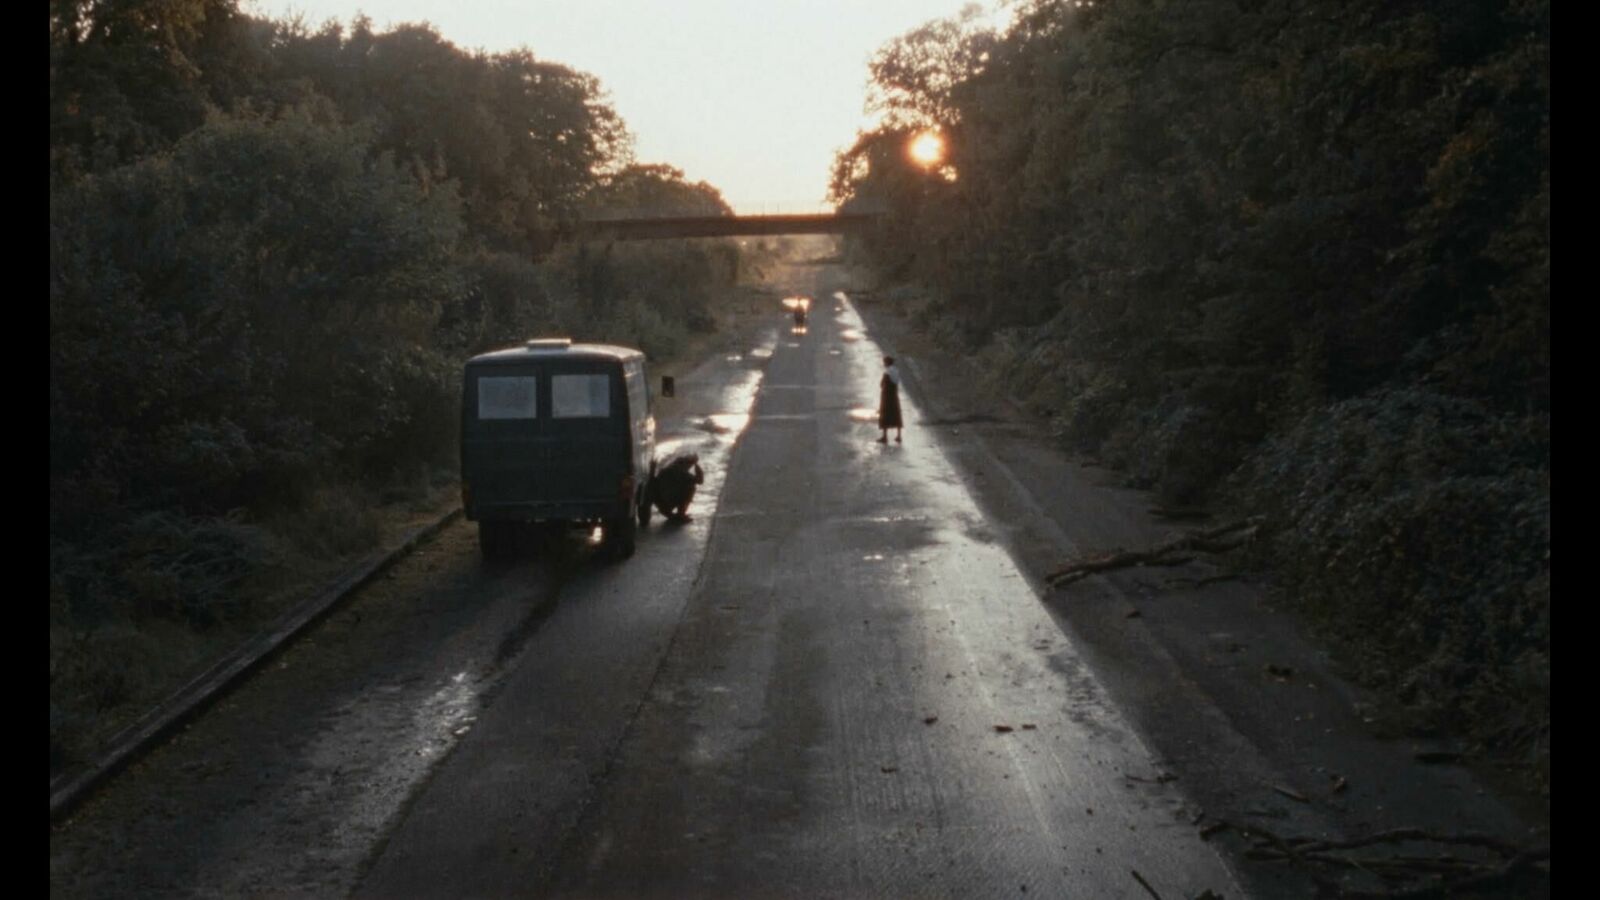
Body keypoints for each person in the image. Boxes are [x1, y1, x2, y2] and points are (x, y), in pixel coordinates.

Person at [650, 452, 705, 522]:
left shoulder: (664, 471)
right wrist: (698, 468)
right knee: (691, 487)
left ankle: (671, 515)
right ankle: (680, 514)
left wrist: (652, 471)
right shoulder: (683, 474)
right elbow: (700, 481)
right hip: (668, 503)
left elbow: (652, 483)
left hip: (662, 506)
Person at [877, 356, 903, 444]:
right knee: (896, 414)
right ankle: (899, 436)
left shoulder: (887, 372)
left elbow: (882, 384)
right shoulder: (896, 371)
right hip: (894, 395)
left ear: (887, 363)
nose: (884, 364)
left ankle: (885, 437)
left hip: (887, 396)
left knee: (885, 415)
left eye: (884, 362)